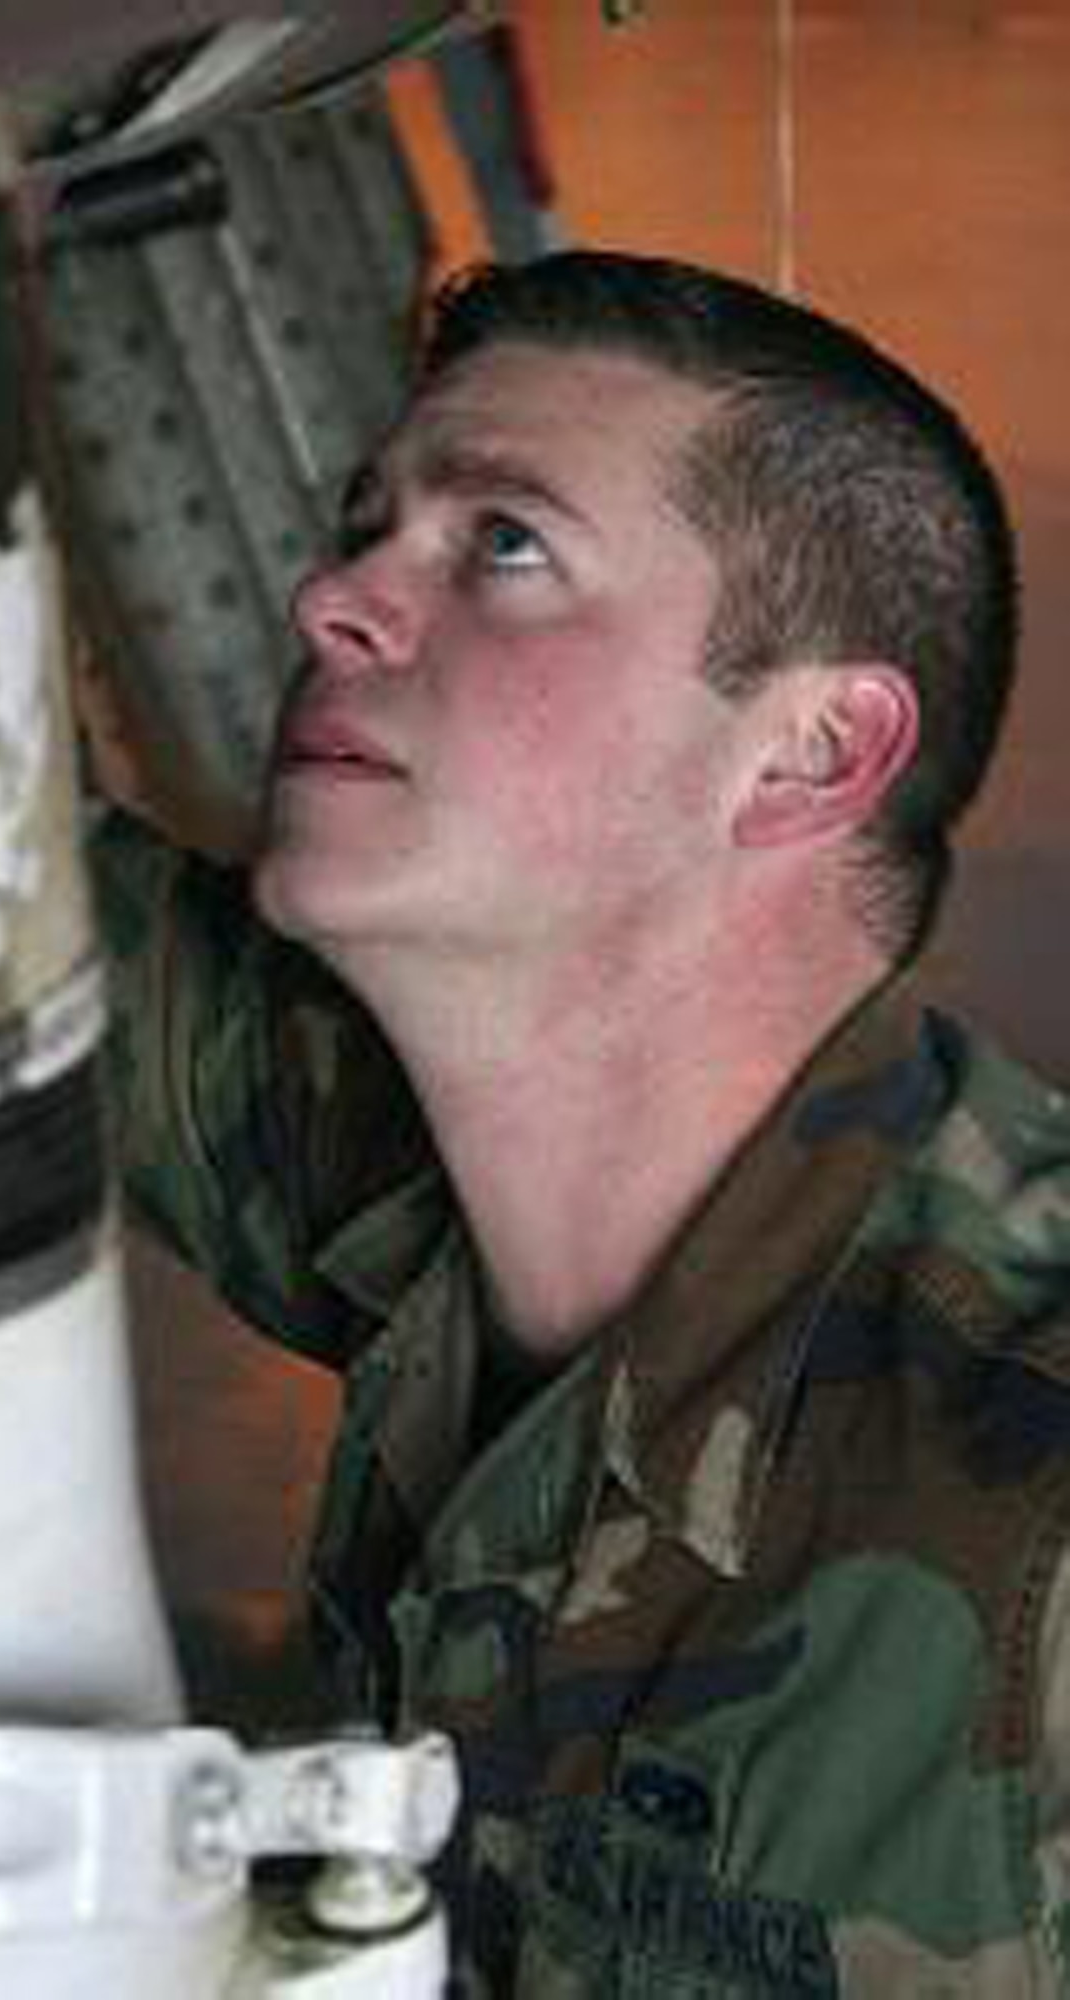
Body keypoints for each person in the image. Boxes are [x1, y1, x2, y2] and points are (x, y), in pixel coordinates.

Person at [91, 252, 1070, 1996]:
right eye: (362, 522)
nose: (334, 597)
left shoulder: (1031, 1515)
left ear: (809, 752)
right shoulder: (404, 1156)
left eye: (505, 547)